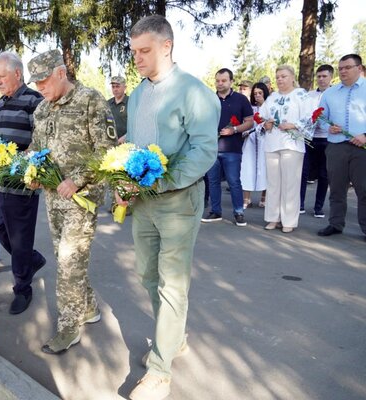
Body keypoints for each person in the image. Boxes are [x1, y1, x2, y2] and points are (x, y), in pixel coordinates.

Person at [120, 15, 219, 400]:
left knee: (172, 285)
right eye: (133, 52)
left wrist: (160, 181)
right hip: (142, 202)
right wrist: (122, 179)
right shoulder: (138, 94)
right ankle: (174, 337)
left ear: (167, 46)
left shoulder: (194, 92)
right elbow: (135, 144)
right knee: (146, 275)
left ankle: (160, 372)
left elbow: (204, 150)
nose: (137, 59)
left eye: (144, 51)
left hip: (178, 200)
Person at [27, 50, 117, 354]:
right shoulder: (41, 110)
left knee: (67, 260)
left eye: (44, 80)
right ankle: (89, 306)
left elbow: (106, 150)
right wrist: (32, 172)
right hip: (53, 197)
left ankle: (68, 327)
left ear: (61, 73)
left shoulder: (90, 100)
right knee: (68, 260)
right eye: (35, 82)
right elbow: (35, 149)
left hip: (82, 197)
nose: (40, 87)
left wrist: (76, 179)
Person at [0, 51, 46, 315]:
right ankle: (31, 260)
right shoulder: (0, 103)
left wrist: (23, 159)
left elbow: (44, 140)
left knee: (20, 240)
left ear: (17, 74)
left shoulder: (34, 101)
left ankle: (23, 288)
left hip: (21, 185)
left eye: (1, 76)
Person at [317, 54, 366, 238]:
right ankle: (336, 224)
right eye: (341, 68)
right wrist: (328, 126)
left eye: (347, 67)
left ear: (359, 68)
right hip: (336, 147)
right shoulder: (330, 93)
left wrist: (365, 135)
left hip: (361, 148)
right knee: (336, 188)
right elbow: (320, 118)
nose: (343, 71)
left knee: (364, 188)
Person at [261, 65, 312, 234]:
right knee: (273, 183)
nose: (280, 79)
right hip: (272, 143)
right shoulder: (272, 97)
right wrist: (265, 124)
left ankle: (289, 220)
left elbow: (311, 117)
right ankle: (273, 218)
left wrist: (293, 125)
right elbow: (261, 116)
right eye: (277, 77)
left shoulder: (301, 95)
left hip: (292, 145)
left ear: (292, 77)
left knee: (290, 183)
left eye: (283, 76)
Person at [202, 68, 253, 227]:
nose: (220, 83)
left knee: (234, 181)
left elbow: (250, 121)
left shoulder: (241, 99)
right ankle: (215, 211)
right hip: (212, 149)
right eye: (217, 80)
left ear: (231, 81)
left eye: (223, 80)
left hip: (232, 149)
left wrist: (234, 130)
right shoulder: (209, 99)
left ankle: (239, 212)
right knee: (213, 181)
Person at [300, 64, 333, 217]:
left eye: (324, 76)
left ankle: (318, 207)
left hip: (327, 138)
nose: (321, 79)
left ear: (331, 77)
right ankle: (299, 204)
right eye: (318, 76)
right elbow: (304, 114)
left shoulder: (335, 94)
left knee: (324, 174)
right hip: (309, 138)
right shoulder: (309, 95)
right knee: (304, 171)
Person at [241, 82, 270, 208]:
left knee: (266, 169)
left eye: (260, 93)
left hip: (265, 141)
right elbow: (246, 122)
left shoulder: (269, 106)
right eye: (255, 93)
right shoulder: (250, 108)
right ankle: (246, 198)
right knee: (247, 168)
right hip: (250, 142)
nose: (257, 96)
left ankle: (264, 197)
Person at [108, 75, 128, 144]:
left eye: (118, 86)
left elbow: (136, 124)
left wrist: (126, 136)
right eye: (113, 87)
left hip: (126, 143)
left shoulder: (130, 102)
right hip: (110, 142)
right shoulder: (107, 103)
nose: (115, 89)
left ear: (125, 88)